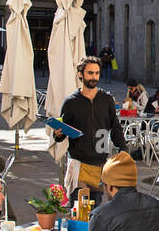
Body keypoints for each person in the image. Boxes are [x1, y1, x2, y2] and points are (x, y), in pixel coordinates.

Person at [54, 56, 127, 197]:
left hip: (100, 163)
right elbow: (61, 135)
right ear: (80, 74)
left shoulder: (107, 100)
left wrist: (123, 150)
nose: (94, 77)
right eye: (90, 73)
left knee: (97, 209)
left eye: (97, 73)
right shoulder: (70, 102)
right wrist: (58, 133)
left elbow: (115, 127)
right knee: (78, 210)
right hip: (78, 164)